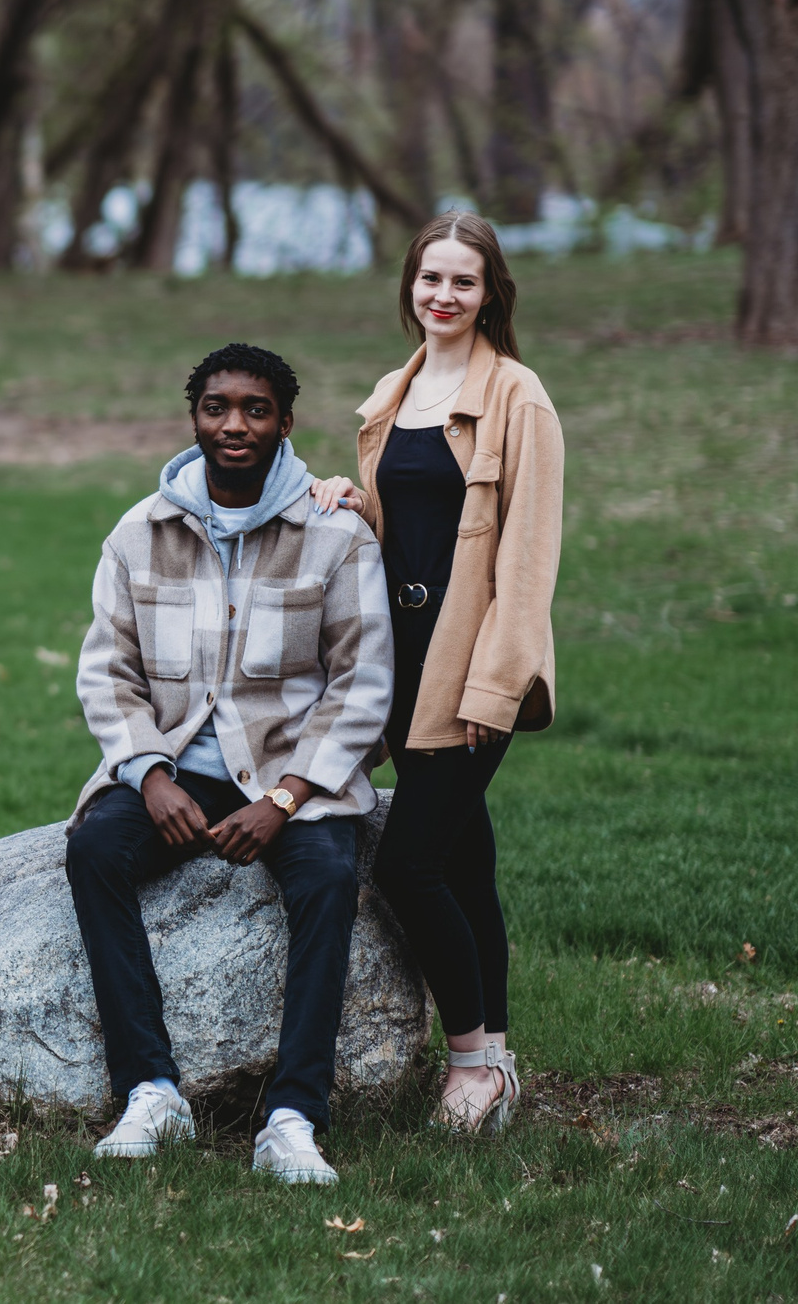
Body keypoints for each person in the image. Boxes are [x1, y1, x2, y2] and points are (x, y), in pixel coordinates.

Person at [66, 344, 393, 1187]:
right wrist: (148, 774)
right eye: (217, 407)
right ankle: (150, 1090)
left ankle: (292, 1116)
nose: (234, 425)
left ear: (286, 423)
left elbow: (364, 684)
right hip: (179, 765)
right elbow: (108, 669)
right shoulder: (140, 531)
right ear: (195, 418)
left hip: (293, 777)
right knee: (96, 850)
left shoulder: (335, 535)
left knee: (326, 878)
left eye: (254, 409)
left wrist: (285, 798)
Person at [309, 213, 562, 1134]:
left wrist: (496, 686)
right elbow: (395, 523)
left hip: (468, 661)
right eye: (429, 279)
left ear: (490, 290)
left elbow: (527, 561)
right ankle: (499, 1044)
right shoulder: (395, 390)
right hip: (400, 656)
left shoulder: (520, 398)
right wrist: (347, 492)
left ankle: (474, 1063)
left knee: (410, 864)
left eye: (462, 280)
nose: (443, 296)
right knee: (464, 861)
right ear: (410, 286)